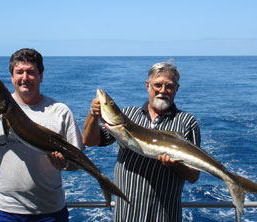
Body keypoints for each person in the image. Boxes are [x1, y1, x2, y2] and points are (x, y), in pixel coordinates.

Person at [0, 48, 84, 222]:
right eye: (19, 72)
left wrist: (63, 163)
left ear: (41, 76)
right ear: (12, 77)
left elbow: (76, 163)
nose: (25, 78)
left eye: (31, 72)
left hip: (48, 212)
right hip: (0, 210)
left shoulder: (60, 111)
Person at [83, 61, 201, 222]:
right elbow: (90, 141)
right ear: (148, 86)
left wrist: (176, 165)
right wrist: (93, 114)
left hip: (166, 216)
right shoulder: (128, 115)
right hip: (126, 215)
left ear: (176, 89)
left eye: (169, 86)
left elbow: (194, 176)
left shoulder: (187, 122)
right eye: (158, 85)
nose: (163, 91)